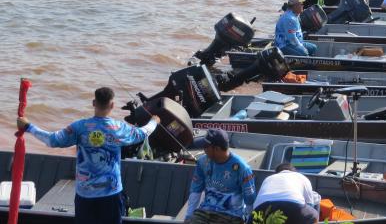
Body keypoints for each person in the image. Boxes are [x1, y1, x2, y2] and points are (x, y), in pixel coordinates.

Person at [17, 88, 160, 224]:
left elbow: (52, 140)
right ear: (112, 105)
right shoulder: (118, 128)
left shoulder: (80, 127)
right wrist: (154, 121)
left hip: (84, 196)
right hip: (111, 194)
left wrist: (29, 127)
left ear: (93, 103)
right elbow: (142, 133)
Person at [186, 129, 256, 224]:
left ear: (217, 149)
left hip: (232, 215)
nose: (203, 149)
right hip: (204, 212)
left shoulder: (242, 168)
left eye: (206, 147)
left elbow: (250, 200)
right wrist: (189, 216)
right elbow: (195, 191)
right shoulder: (202, 162)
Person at [252, 163, 319, 224]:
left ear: (277, 173)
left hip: (260, 208)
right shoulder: (301, 177)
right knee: (314, 215)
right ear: (295, 171)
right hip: (292, 206)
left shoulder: (268, 178)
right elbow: (310, 204)